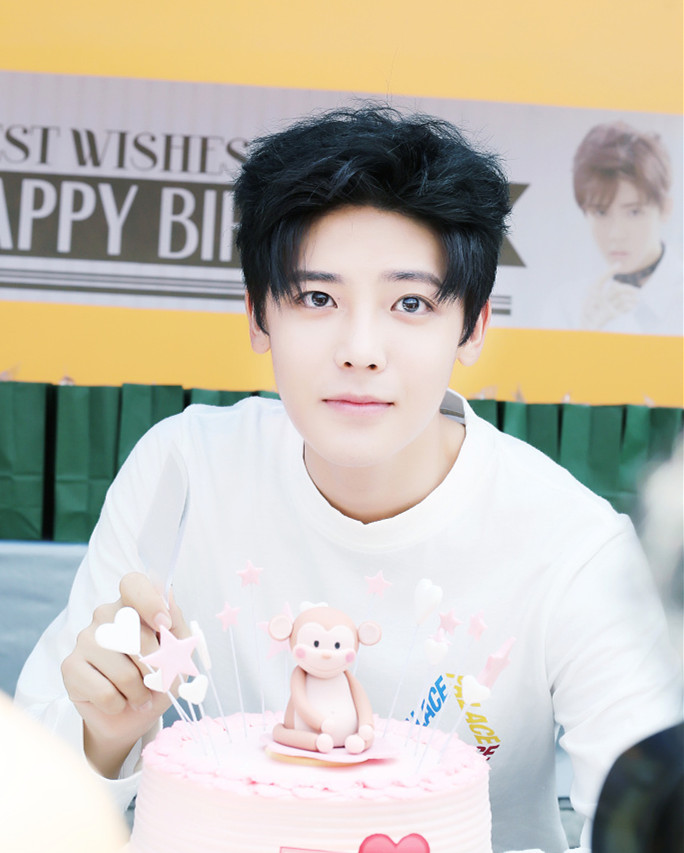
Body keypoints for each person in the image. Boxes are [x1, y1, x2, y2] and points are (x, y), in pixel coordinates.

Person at [14, 106, 681, 853]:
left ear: (473, 326)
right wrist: (106, 736)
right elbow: (31, 801)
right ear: (258, 317)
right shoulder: (183, 472)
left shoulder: (574, 545)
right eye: (317, 298)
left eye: (410, 303)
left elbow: (644, 823)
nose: (361, 350)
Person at [572, 121, 681, 334]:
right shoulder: (566, 305)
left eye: (634, 212)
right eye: (601, 213)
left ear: (665, 209)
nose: (616, 234)